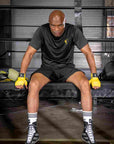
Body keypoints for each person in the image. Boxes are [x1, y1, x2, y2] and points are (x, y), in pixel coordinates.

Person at [15, 10, 101, 144]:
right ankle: (32, 129)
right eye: (52, 26)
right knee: (32, 84)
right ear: (49, 24)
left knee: (85, 83)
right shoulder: (42, 30)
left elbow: (88, 53)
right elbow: (29, 53)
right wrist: (21, 76)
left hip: (67, 68)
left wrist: (94, 76)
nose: (55, 29)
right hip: (47, 69)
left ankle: (87, 128)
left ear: (64, 23)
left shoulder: (73, 31)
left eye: (59, 25)